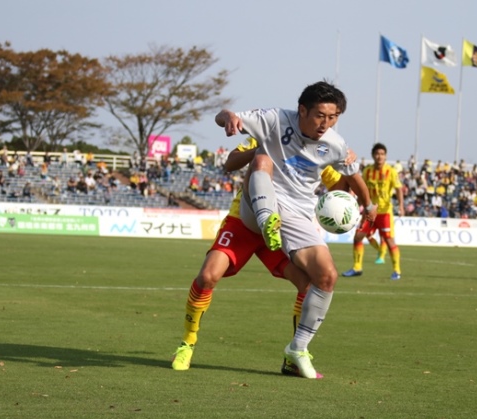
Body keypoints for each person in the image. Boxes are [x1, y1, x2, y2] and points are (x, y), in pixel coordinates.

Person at [214, 80, 376, 379]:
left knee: (326, 277)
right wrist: (230, 118)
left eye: (333, 117)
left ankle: (297, 348)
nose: (325, 124)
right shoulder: (274, 119)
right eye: (320, 116)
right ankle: (267, 219)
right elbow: (223, 116)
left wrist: (369, 206)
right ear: (302, 110)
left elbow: (353, 178)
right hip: (257, 201)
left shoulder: (335, 144)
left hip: (298, 213)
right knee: (263, 156)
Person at [171, 136, 354, 378]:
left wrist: (347, 165)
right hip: (244, 221)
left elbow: (339, 189)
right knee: (207, 276)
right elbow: (230, 163)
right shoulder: (267, 134)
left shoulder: (315, 151)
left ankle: (294, 357)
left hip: (282, 226)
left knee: (306, 284)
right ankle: (187, 343)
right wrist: (259, 148)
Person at [342, 143, 405, 280]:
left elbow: (399, 189)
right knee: (358, 237)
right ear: (373, 155)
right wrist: (358, 206)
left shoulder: (391, 171)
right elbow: (362, 190)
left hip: (384, 213)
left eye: (382, 154)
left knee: (389, 240)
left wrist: (401, 206)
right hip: (369, 211)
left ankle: (397, 270)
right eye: (377, 154)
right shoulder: (367, 171)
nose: (379, 156)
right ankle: (357, 268)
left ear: (385, 156)